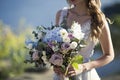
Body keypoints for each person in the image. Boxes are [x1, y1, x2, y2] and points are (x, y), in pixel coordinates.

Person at [53, 0, 114, 80]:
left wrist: (83, 67)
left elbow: (109, 55)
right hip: (61, 75)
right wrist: (55, 64)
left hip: (84, 75)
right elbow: (54, 45)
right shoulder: (61, 14)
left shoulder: (98, 20)